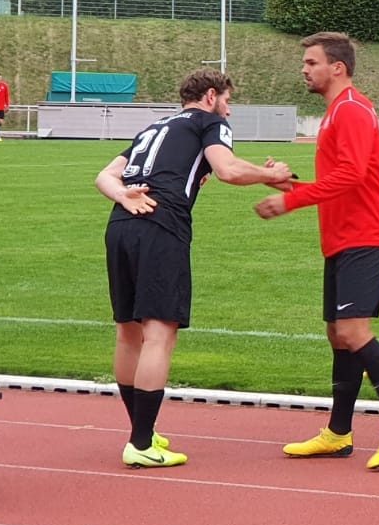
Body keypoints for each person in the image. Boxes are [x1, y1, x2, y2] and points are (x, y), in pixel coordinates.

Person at [97, 68, 291, 468]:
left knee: (128, 333)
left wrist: (123, 195)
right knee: (159, 333)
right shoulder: (209, 123)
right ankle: (141, 443)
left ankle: (142, 432)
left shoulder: (156, 127)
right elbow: (227, 169)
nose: (229, 111)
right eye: (227, 101)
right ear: (210, 96)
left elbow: (106, 175)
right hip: (162, 226)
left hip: (121, 225)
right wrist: (271, 175)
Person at [256, 32, 379, 471]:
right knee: (337, 335)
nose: (304, 70)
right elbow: (340, 181)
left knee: (352, 331)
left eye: (312, 63)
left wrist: (290, 202)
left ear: (337, 67)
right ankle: (338, 433)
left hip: (367, 236)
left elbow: (352, 174)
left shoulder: (351, 110)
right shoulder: (336, 112)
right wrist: (293, 187)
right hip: (343, 237)